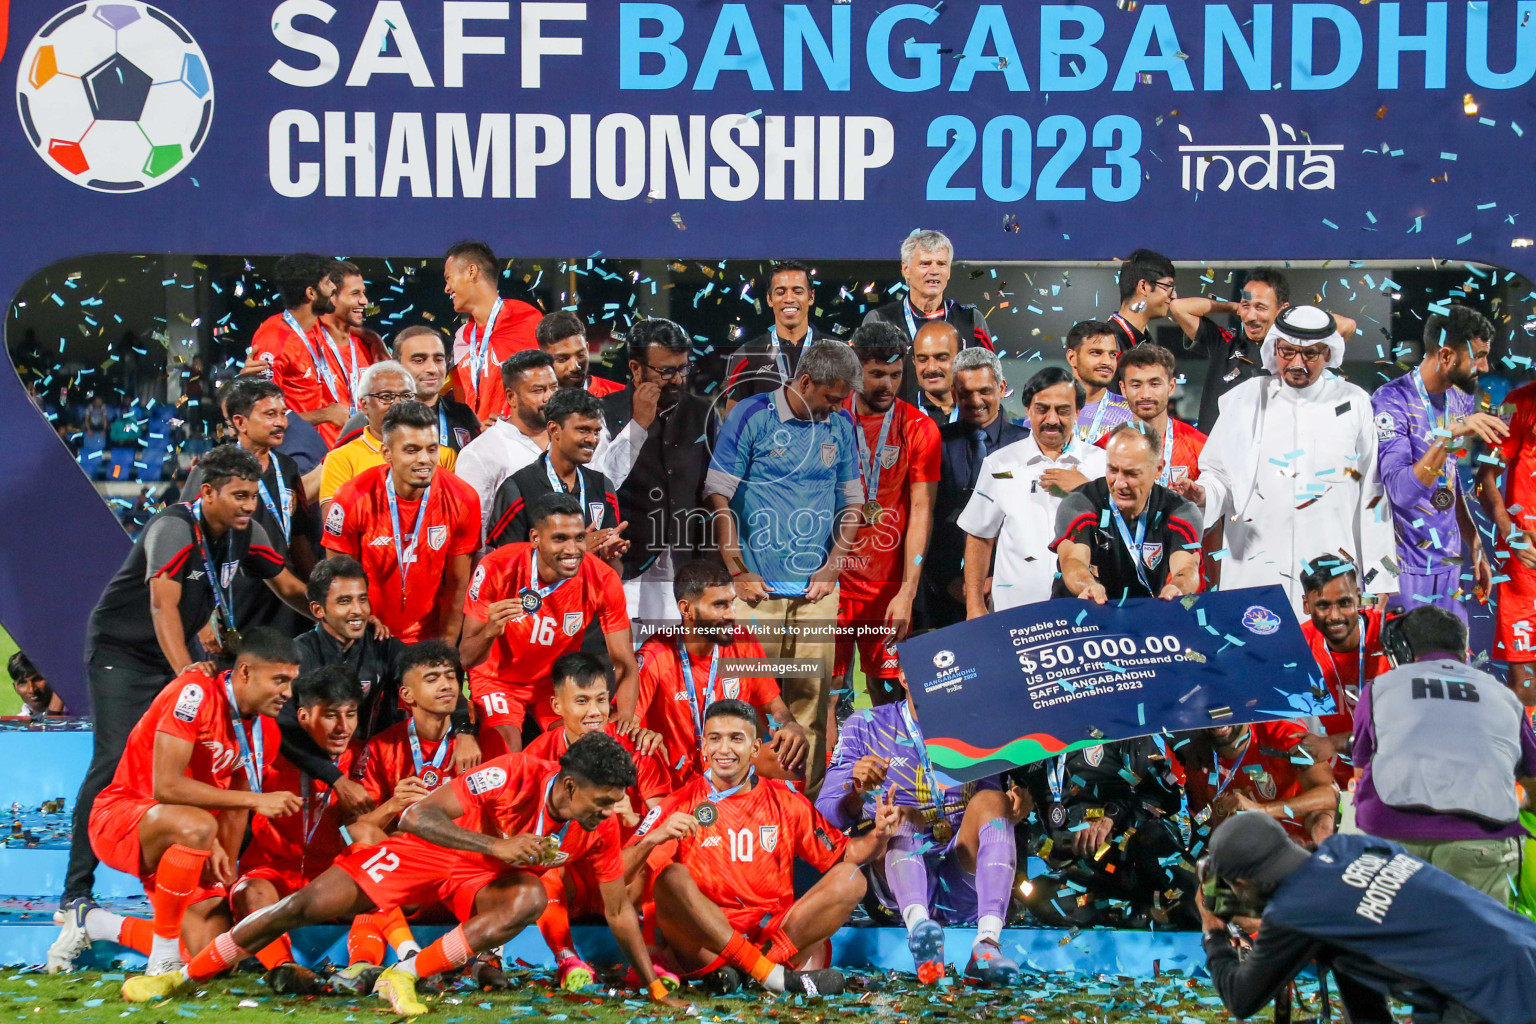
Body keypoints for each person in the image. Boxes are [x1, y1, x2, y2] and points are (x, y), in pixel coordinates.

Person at [124, 734, 687, 1015]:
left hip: (480, 878)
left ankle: (406, 975)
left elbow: (617, 909)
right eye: (602, 799)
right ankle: (181, 975)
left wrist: (653, 982)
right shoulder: (513, 772)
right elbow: (418, 814)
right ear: (567, 785)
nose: (609, 811)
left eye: (615, 802)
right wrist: (498, 844)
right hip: (431, 851)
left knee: (529, 899)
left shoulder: (602, 828)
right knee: (303, 906)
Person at [65, 446, 308, 911]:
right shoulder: (173, 528)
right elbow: (163, 606)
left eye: (254, 496)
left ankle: (190, 877)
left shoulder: (245, 532)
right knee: (113, 758)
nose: (248, 505)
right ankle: (76, 891)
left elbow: (288, 586)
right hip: (126, 652)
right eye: (239, 496)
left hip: (180, 654)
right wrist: (184, 672)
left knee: (207, 756)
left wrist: (331, 616)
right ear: (209, 493)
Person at [48, 630, 303, 977]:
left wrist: (223, 873)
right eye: (280, 680)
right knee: (197, 826)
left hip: (190, 839)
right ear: (245, 672)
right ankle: (163, 956)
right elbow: (166, 786)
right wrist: (256, 801)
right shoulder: (195, 692)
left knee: (210, 957)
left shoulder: (265, 732)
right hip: (123, 816)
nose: (288, 692)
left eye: (291, 681)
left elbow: (234, 810)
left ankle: (95, 923)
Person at [635, 699, 900, 996]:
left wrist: (880, 834)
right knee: (671, 878)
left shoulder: (786, 802)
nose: (724, 749)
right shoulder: (679, 803)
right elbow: (630, 877)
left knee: (851, 879)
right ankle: (766, 973)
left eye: (736, 738)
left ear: (755, 749)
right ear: (704, 748)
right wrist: (650, 839)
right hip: (707, 943)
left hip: (770, 938)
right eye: (715, 739)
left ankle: (751, 971)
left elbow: (845, 856)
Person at [705, 341, 865, 792]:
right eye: (831, 397)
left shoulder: (841, 424)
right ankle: (745, 803)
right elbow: (719, 495)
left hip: (816, 592)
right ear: (806, 381)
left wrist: (834, 566)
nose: (836, 407)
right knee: (750, 704)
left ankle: (806, 808)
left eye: (842, 401)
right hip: (757, 593)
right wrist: (737, 568)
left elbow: (853, 502)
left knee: (811, 707)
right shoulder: (751, 415)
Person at [1199, 811, 1536, 1024]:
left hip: (1488, 996)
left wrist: (1213, 931)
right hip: (1523, 946)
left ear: (1242, 882)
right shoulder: (1351, 848)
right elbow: (1359, 979)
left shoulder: (1295, 910)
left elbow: (1241, 999)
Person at [1176, 306, 1397, 615]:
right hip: (1255, 568)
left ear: (1328, 353)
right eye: (1288, 351)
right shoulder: (1245, 399)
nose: (1297, 363)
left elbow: (1373, 494)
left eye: (1309, 355)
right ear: (1274, 347)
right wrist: (1202, 494)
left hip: (1332, 570)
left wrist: (1381, 577)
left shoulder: (1353, 401)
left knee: (1328, 662)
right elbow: (1219, 477)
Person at [818, 690, 1029, 985]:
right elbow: (826, 813)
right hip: (895, 889)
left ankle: (987, 945)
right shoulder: (865, 723)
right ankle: (921, 934)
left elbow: (990, 802)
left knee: (992, 800)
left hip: (960, 882)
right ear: (903, 673)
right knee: (904, 815)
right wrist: (856, 791)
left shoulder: (976, 723)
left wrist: (1014, 808)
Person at [1353, 606, 1536, 904]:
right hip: (1479, 840)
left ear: (1403, 649)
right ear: (1464, 650)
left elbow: (1361, 775)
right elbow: (1533, 782)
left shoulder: (1379, 689)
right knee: (1480, 946)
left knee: (1399, 946)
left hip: (1394, 836)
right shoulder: (1504, 696)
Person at [523, 653, 671, 990]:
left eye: (602, 699)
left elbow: (661, 815)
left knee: (666, 858)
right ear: (557, 705)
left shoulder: (639, 747)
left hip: (623, 871)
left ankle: (647, 956)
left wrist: (636, 820)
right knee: (545, 859)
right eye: (582, 701)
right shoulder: (535, 756)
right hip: (569, 878)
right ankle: (566, 957)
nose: (595, 712)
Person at [230, 665, 378, 995]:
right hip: (273, 872)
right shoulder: (268, 753)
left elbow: (363, 831)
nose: (343, 727)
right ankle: (283, 968)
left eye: (351, 714)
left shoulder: (363, 758)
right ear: (303, 716)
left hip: (332, 876)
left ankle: (363, 965)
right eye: (330, 716)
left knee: (376, 873)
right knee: (248, 893)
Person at [461, 493, 637, 751]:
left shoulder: (602, 578)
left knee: (582, 748)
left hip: (554, 683)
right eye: (559, 539)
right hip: (496, 680)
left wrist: (626, 717)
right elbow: (466, 657)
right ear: (535, 538)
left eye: (579, 538)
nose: (572, 550)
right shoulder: (497, 567)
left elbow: (624, 661)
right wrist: (490, 631)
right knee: (504, 748)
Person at [634, 560, 809, 786]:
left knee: (789, 757)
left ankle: (778, 818)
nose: (731, 614)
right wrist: (642, 736)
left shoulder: (744, 642)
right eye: (719, 605)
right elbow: (627, 725)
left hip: (729, 764)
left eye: (732, 603)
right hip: (674, 774)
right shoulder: (656, 654)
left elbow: (773, 707)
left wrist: (788, 725)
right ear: (687, 609)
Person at [836, 323, 940, 704]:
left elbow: (921, 512)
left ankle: (892, 765)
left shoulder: (918, 428)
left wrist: (907, 591)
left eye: (895, 375)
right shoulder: (826, 419)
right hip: (831, 587)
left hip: (888, 588)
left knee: (891, 694)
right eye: (876, 374)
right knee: (824, 697)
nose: (887, 385)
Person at [1374, 305, 1498, 621]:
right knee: (1409, 670)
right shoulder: (1390, 401)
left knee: (1453, 667)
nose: (1484, 367)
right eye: (1478, 356)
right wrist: (1446, 437)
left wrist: (1474, 542)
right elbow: (1401, 492)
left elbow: (1449, 478)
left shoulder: (1460, 398)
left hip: (1450, 566)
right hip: (1402, 569)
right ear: (1445, 356)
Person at [322, 400, 480, 643]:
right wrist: (358, 624)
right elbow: (338, 579)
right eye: (411, 450)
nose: (424, 460)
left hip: (429, 637)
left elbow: (457, 586)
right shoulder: (352, 497)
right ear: (387, 453)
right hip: (367, 633)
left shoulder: (463, 498)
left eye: (431, 449)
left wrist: (445, 646)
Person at [599, 318, 720, 634]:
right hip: (628, 570)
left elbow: (715, 492)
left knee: (681, 673)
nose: (678, 380)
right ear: (636, 369)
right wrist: (638, 424)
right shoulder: (603, 413)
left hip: (687, 568)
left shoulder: (704, 413)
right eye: (666, 371)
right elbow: (599, 484)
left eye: (683, 368)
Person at [959, 367, 1106, 614]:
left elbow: (1123, 531)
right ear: (1028, 410)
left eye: (1063, 410)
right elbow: (979, 537)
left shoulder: (1102, 464)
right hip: (1014, 613)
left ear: (1078, 412)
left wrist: (1087, 490)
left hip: (1087, 611)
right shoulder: (999, 464)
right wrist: (974, 605)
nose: (1052, 419)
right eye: (1042, 409)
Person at [1017, 736, 1196, 928]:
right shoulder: (1024, 748)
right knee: (1037, 894)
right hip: (1084, 873)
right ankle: (1141, 915)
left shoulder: (1118, 730)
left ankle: (1206, 911)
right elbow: (1016, 820)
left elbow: (1166, 797)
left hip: (1134, 856)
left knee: (1153, 838)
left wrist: (1112, 818)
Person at [184, 377, 316, 633]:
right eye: (269, 414)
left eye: (282, 413)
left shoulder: (287, 468)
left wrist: (314, 588)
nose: (281, 423)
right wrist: (204, 621)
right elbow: (191, 546)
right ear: (240, 422)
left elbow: (299, 536)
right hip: (234, 599)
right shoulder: (211, 470)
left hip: (288, 598)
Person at [920, 347, 1029, 629]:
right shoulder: (933, 444)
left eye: (985, 391)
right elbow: (923, 519)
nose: (975, 401)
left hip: (1011, 590)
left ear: (1001, 387)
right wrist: (950, 582)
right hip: (943, 592)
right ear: (954, 393)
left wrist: (1000, 579)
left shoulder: (1028, 447)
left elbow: (1033, 524)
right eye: (966, 393)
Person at [1052, 423, 1203, 603]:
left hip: (1138, 618)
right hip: (1079, 615)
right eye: (1113, 470)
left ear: (1158, 469)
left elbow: (1187, 568)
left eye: (1132, 474)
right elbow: (1072, 560)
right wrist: (1087, 586)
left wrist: (1177, 587)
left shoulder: (1180, 511)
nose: (1119, 484)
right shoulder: (1079, 503)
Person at [486, 389, 624, 562]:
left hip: (587, 589)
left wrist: (609, 556)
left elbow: (613, 573)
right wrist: (576, 550)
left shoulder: (603, 487)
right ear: (554, 429)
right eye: (583, 430)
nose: (592, 439)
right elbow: (506, 564)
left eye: (596, 432)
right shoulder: (518, 488)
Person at [862, 230, 993, 407]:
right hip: (901, 429)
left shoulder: (971, 320)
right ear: (906, 269)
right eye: (925, 264)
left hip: (959, 429)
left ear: (948, 271)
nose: (934, 271)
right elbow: (865, 385)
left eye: (941, 264)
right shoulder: (880, 320)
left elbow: (989, 381)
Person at [1298, 557, 1391, 789]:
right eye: (1323, 605)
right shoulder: (1297, 646)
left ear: (1359, 597)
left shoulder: (1394, 636)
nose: (1335, 616)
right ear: (1306, 605)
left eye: (1344, 603)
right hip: (1341, 780)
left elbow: (1410, 725)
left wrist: (1333, 742)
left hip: (1399, 771)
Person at [243, 254, 349, 447]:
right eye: (328, 283)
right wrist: (325, 415)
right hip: (288, 453)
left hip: (314, 448)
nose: (334, 287)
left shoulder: (315, 326)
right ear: (311, 293)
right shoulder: (274, 341)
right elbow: (262, 416)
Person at [320, 361, 458, 510]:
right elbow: (336, 525)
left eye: (406, 396)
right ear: (365, 405)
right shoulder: (341, 459)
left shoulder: (444, 456)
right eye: (386, 396)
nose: (398, 404)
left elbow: (455, 514)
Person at [1175, 721, 1339, 846]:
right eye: (1209, 711)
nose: (1219, 718)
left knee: (1324, 822)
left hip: (1301, 839)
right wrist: (1216, 815)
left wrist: (1262, 810)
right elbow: (1202, 817)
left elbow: (1330, 795)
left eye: (1226, 708)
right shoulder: (1198, 759)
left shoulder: (1281, 733)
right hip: (1254, 850)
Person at [454, 350, 561, 541]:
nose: (549, 398)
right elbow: (472, 534)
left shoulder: (568, 440)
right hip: (510, 566)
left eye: (554, 387)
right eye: (538, 390)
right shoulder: (480, 453)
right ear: (511, 397)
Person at [336, 326, 481, 456]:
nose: (432, 369)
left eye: (438, 359)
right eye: (419, 360)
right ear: (397, 364)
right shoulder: (366, 421)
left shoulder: (464, 415)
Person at [1480, 370, 1536, 706]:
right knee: (1527, 680)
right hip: (1527, 560)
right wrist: (1508, 528)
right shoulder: (1519, 402)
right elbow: (1485, 472)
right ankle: (1529, 757)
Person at [443, 239, 543, 426]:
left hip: (517, 445)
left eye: (449, 278)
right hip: (471, 447)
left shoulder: (526, 321)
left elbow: (549, 386)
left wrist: (512, 423)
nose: (446, 288)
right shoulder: (462, 339)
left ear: (471, 271)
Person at [718, 260, 839, 410]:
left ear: (811, 296)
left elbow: (850, 412)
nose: (789, 299)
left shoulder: (838, 352)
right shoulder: (747, 354)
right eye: (780, 292)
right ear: (769, 298)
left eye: (797, 291)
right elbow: (733, 423)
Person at [1105, 344, 1207, 483]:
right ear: (1123, 389)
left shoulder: (1200, 446)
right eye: (1136, 385)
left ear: (1171, 387)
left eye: (1154, 384)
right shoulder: (1105, 447)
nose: (1145, 394)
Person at [1064, 320, 1132, 445]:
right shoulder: (1047, 412)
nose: (1107, 361)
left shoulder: (1131, 413)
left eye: (1112, 354)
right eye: (1096, 353)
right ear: (1072, 358)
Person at [1103, 249, 1178, 352]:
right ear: (1143, 287)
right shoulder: (1108, 343)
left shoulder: (1145, 341)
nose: (1174, 295)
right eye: (1168, 286)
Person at [536, 311, 624, 396]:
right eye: (562, 359)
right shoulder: (533, 403)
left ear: (587, 348)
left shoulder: (620, 396)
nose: (575, 367)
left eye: (581, 355)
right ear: (542, 359)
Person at [911, 321, 961, 426]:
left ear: (960, 358)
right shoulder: (898, 417)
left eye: (941, 358)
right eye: (922, 360)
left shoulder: (981, 411)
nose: (931, 368)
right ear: (914, 362)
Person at [8, 652, 66, 717]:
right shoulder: (17, 724)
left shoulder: (76, 715)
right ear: (15, 688)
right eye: (23, 683)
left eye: (37, 679)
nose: (31, 690)